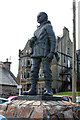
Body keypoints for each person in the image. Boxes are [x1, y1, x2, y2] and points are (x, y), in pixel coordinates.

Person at [23, 12, 56, 96]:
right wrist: (31, 41)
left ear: (45, 17)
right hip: (35, 52)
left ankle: (49, 90)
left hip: (45, 52)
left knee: (46, 71)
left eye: (39, 16)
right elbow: (32, 45)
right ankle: (33, 89)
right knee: (34, 71)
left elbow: (53, 39)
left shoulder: (48, 26)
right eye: (37, 16)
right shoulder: (36, 30)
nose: (37, 18)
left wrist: (52, 52)